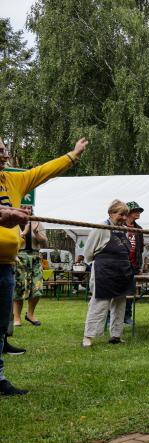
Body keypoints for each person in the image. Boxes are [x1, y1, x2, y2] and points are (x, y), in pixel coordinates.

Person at [0, 137, 87, 395]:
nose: (4, 156)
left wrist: (72, 155)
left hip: (5, 266)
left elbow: (43, 172)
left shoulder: (14, 180)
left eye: (4, 151)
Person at [82, 200, 135, 347]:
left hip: (122, 272)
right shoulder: (100, 227)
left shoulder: (124, 230)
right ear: (111, 213)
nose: (124, 218)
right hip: (105, 271)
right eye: (120, 214)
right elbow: (88, 253)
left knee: (120, 304)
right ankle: (88, 337)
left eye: (125, 215)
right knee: (99, 304)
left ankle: (116, 336)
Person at [12, 205, 47, 330]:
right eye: (23, 207)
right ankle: (16, 317)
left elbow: (44, 242)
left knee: (37, 287)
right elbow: (12, 241)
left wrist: (36, 232)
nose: (27, 210)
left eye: (29, 208)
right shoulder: (13, 222)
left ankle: (30, 314)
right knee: (19, 288)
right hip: (19, 256)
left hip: (35, 257)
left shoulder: (37, 222)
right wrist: (24, 232)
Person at [121, 201, 145, 325]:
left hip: (134, 265)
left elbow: (140, 249)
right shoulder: (119, 226)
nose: (138, 213)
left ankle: (127, 316)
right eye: (136, 210)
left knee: (130, 291)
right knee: (117, 290)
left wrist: (139, 266)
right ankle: (110, 317)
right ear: (129, 212)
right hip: (120, 264)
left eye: (139, 211)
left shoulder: (139, 229)